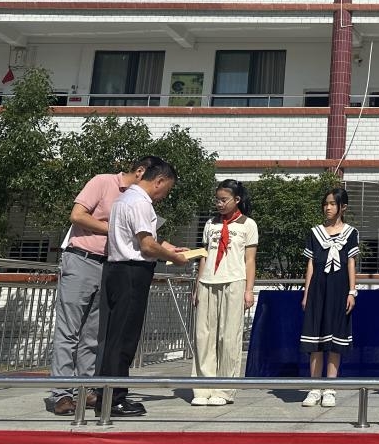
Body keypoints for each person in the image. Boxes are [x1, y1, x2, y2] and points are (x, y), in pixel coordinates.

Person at [46, 155, 159, 415]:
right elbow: (77, 215)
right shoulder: (103, 182)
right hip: (82, 259)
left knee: (93, 334)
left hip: (110, 266)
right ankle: (62, 393)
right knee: (69, 330)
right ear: (140, 171)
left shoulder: (137, 199)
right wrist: (115, 228)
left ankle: (84, 389)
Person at [95, 160, 188, 416]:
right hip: (132, 272)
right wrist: (174, 257)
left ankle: (105, 394)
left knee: (113, 337)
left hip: (116, 269)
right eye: (167, 189)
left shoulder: (123, 199)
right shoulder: (140, 202)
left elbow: (139, 241)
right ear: (159, 181)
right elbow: (146, 245)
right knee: (125, 337)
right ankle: (115, 399)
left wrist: (166, 248)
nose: (164, 195)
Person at [191, 179, 258, 406]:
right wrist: (197, 285)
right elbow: (204, 255)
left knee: (228, 337)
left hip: (234, 281)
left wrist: (249, 289)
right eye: (217, 200)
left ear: (236, 199)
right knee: (204, 336)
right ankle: (202, 388)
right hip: (208, 281)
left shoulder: (248, 224)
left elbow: (250, 260)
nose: (219, 204)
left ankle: (224, 389)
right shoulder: (210, 223)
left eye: (224, 200)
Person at [300, 187, 360, 408]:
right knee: (315, 338)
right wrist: (306, 292)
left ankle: (330, 388)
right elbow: (310, 264)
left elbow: (351, 262)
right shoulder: (315, 232)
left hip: (339, 288)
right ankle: (314, 388)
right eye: (325, 203)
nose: (328, 207)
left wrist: (352, 291)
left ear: (343, 207)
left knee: (335, 340)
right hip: (318, 288)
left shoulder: (351, 233)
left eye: (333, 204)